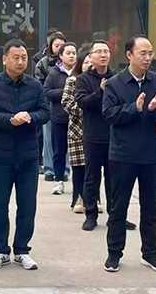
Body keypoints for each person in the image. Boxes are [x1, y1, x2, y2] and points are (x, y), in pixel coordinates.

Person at [102, 35, 156, 273]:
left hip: (152, 156)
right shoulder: (115, 84)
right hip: (123, 155)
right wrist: (133, 108)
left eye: (150, 53)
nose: (147, 58)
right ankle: (114, 254)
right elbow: (109, 114)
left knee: (150, 207)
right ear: (129, 55)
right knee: (118, 208)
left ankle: (150, 254)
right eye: (143, 53)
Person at [0, 39, 50, 271]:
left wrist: (29, 117)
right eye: (15, 58)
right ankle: (1, 250)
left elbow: (45, 112)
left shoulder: (35, 86)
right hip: (1, 155)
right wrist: (9, 120)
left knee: (27, 205)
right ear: (4, 59)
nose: (20, 62)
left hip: (29, 155)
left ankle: (22, 250)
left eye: (24, 58)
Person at [76, 40, 136, 232]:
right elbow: (83, 103)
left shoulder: (117, 77)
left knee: (115, 179)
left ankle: (116, 216)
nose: (103, 55)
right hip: (93, 136)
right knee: (91, 178)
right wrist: (100, 91)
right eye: (99, 52)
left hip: (114, 136)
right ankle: (91, 215)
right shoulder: (83, 79)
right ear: (91, 56)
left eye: (106, 51)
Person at [44, 42, 77, 195]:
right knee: (59, 150)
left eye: (74, 53)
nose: (72, 56)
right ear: (61, 56)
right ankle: (59, 180)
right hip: (59, 117)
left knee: (79, 152)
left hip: (78, 119)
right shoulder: (54, 73)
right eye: (68, 53)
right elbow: (47, 92)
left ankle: (79, 183)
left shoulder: (80, 72)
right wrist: (65, 91)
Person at [62, 50, 92, 213]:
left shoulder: (101, 81)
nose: (89, 65)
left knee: (93, 168)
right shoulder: (72, 80)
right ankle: (78, 198)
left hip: (95, 131)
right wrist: (86, 110)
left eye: (91, 62)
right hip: (77, 130)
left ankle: (93, 199)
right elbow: (66, 102)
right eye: (86, 62)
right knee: (79, 168)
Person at [35, 31, 67, 181]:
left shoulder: (72, 64)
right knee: (48, 138)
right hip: (49, 105)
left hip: (69, 107)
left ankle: (65, 170)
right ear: (50, 47)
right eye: (56, 45)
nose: (59, 48)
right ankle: (49, 169)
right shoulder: (43, 63)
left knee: (66, 139)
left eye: (62, 45)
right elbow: (39, 85)